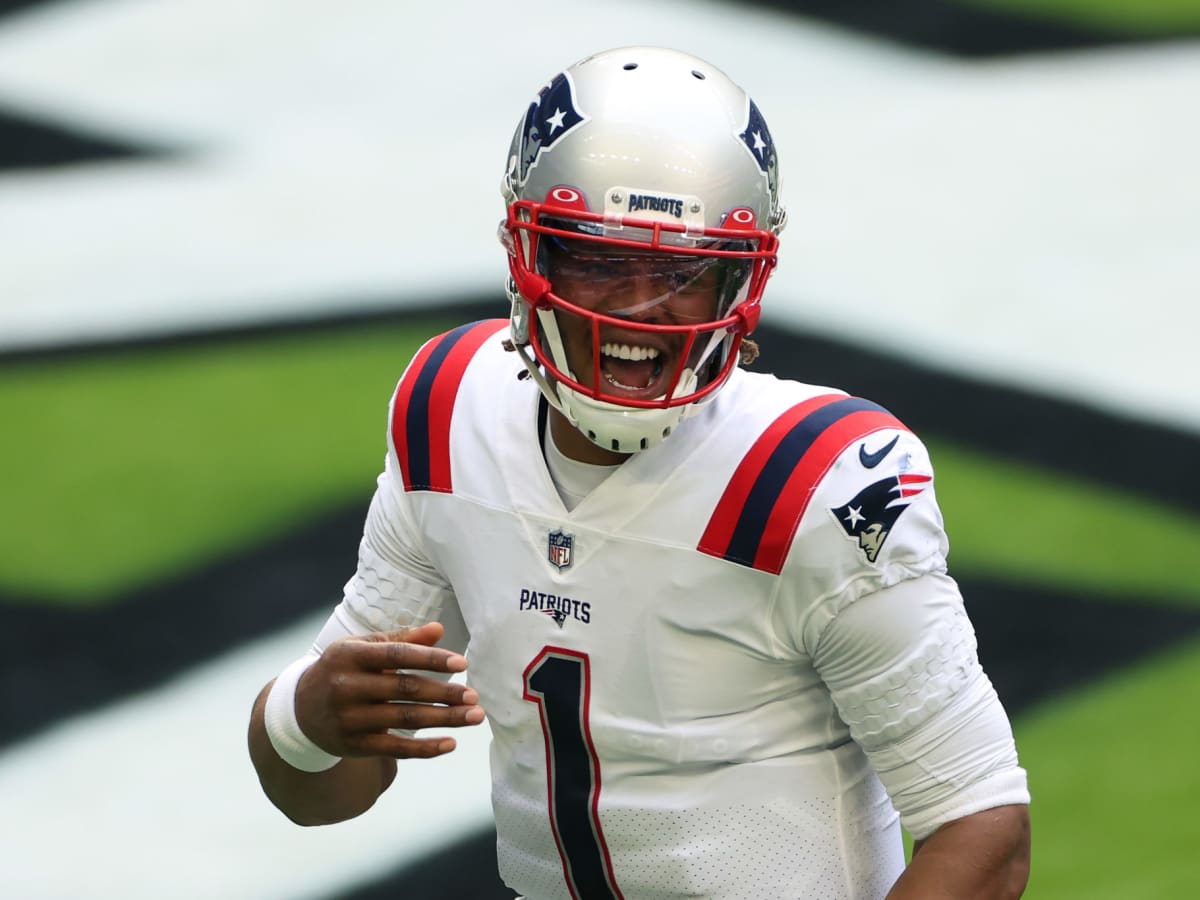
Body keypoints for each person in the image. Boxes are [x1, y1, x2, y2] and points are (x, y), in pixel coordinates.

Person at [248, 45, 1031, 899]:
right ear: (526, 254)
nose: (639, 308)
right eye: (600, 259)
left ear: (743, 279)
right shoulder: (450, 411)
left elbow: (981, 828)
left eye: (684, 271)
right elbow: (322, 791)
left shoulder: (814, 482)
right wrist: (305, 719)